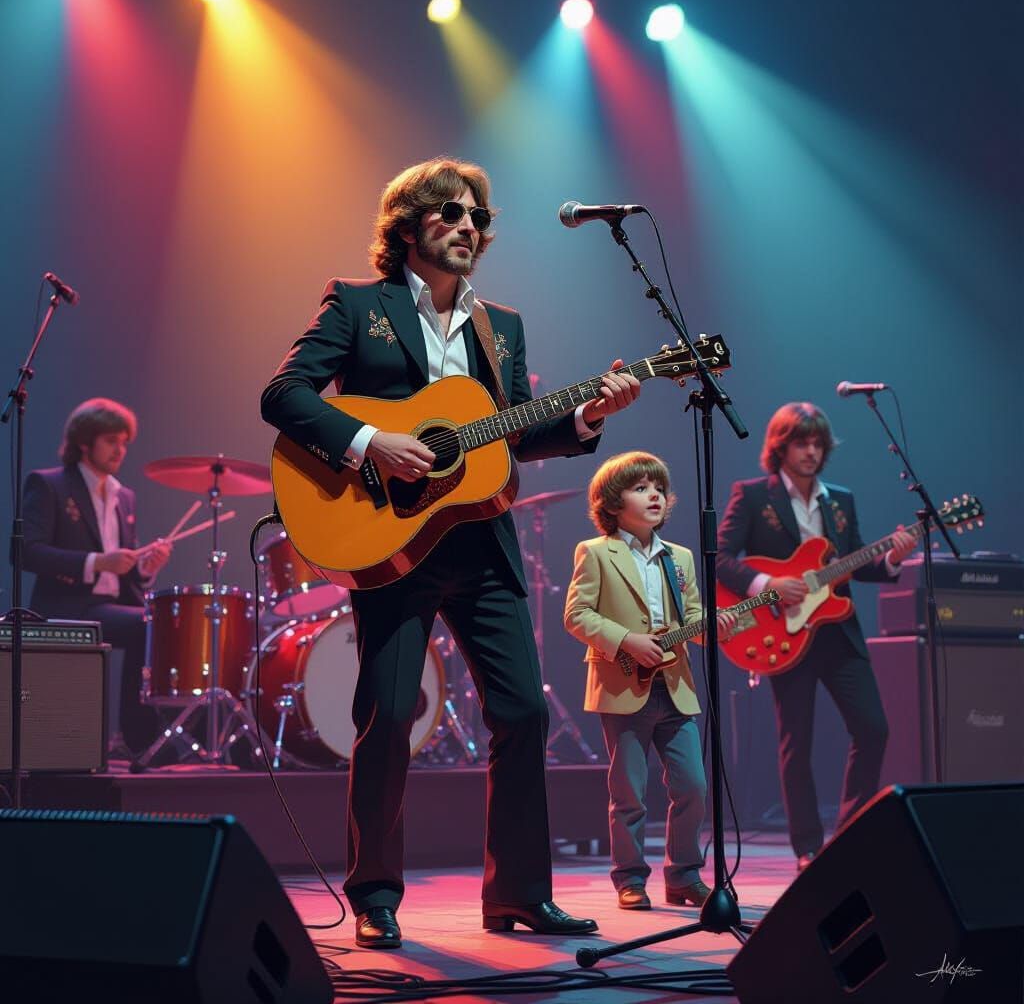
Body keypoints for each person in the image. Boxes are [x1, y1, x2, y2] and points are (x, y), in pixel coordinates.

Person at [260, 157, 641, 949]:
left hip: (480, 540)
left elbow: (503, 438)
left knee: (524, 711)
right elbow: (284, 395)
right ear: (407, 226)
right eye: (451, 213)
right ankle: (374, 893)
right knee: (390, 712)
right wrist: (372, 441)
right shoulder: (357, 305)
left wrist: (584, 422)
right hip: (390, 537)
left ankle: (519, 896)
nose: (470, 226)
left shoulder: (501, 326)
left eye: (478, 218)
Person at [717, 402, 917, 870]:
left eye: (817, 443)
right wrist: (768, 585)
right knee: (796, 741)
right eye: (800, 443)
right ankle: (808, 849)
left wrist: (892, 558)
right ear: (780, 447)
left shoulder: (839, 499)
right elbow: (721, 556)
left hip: (837, 632)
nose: (810, 451)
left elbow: (855, 562)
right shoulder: (751, 495)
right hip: (782, 634)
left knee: (873, 728)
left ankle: (847, 835)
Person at [565, 451, 735, 911]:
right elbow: (577, 615)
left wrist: (712, 627)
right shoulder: (596, 551)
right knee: (630, 794)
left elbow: (694, 615)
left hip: (675, 685)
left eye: (658, 487)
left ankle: (683, 875)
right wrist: (626, 641)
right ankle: (630, 877)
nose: (654, 495)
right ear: (613, 503)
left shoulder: (678, 557)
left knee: (693, 787)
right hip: (624, 685)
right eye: (641, 488)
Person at [22, 398, 172, 760]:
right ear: (84, 442)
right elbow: (27, 552)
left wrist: (146, 569)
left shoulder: (126, 498)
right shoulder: (50, 485)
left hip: (110, 606)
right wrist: (96, 562)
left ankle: (136, 739)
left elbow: (126, 573)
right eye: (111, 441)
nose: (120, 450)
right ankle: (137, 738)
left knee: (157, 621)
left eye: (124, 442)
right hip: (66, 605)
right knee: (146, 625)